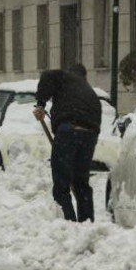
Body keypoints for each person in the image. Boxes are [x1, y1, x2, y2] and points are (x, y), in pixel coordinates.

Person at [33, 64, 102, 222]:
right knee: (81, 183)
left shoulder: (66, 77)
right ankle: (86, 224)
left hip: (68, 131)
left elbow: (47, 75)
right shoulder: (89, 92)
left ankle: (68, 224)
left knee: (61, 183)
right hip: (89, 135)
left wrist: (41, 104)